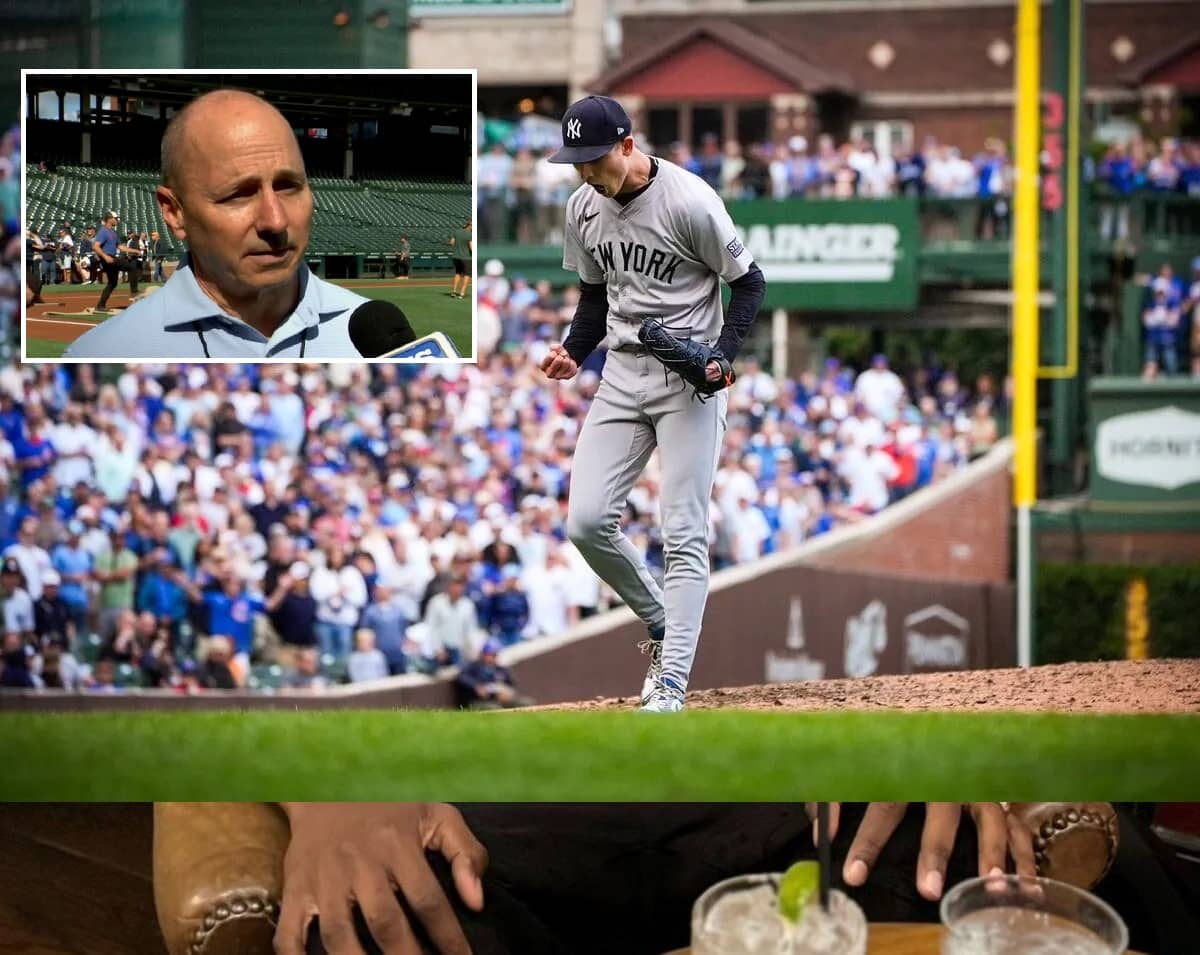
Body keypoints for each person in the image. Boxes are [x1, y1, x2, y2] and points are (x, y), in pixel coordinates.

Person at [280, 802, 1199, 955]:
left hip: (789, 783)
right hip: (486, 808)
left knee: (943, 849)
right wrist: (322, 783)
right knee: (371, 915)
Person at [540, 95, 766, 711]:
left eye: (593, 159)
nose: (585, 171)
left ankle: (672, 681)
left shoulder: (689, 200)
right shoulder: (583, 206)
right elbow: (594, 296)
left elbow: (748, 283)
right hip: (620, 372)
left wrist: (722, 353)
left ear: (626, 146)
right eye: (576, 160)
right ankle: (665, 621)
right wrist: (572, 351)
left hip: (688, 380)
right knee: (585, 522)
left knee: (684, 532)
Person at [63, 90, 372, 359]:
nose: (275, 221)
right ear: (174, 212)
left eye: (288, 186)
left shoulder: (374, 338)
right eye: (238, 195)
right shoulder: (104, 351)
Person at [91, 212, 122, 313]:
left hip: (112, 257)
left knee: (112, 283)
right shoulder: (103, 231)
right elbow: (95, 246)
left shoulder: (112, 232)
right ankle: (135, 292)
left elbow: (120, 246)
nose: (117, 220)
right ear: (109, 219)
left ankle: (100, 305)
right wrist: (105, 256)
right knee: (129, 266)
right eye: (115, 218)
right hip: (108, 258)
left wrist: (133, 251)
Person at [448, 219, 472, 299]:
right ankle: (462, 292)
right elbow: (471, 247)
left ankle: (453, 292)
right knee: (467, 274)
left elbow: (451, 242)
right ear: (470, 225)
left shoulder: (457, 231)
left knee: (457, 273)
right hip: (466, 257)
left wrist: (459, 245)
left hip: (456, 256)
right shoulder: (470, 234)